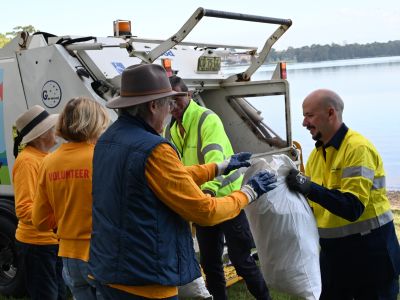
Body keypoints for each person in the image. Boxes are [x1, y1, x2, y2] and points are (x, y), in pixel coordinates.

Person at [88, 64, 277, 300]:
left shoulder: (108, 140)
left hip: (108, 268)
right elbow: (204, 211)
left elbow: (169, 177)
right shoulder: (153, 147)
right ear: (153, 105)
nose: (170, 111)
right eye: (167, 103)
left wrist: (220, 166)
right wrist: (249, 192)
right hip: (146, 277)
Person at [286, 89, 400, 300]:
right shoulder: (316, 155)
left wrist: (309, 187)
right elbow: (312, 205)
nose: (304, 122)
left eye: (309, 115)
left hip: (371, 253)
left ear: (331, 113)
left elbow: (352, 207)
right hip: (334, 255)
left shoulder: (357, 148)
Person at [165, 75, 271, 300]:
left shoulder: (206, 119)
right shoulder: (171, 129)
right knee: (210, 265)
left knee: (242, 261)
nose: (173, 105)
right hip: (203, 203)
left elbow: (217, 159)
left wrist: (209, 190)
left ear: (190, 95)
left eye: (178, 98)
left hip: (226, 199)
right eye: (168, 100)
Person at [32, 97, 110, 300]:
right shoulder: (102, 157)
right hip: (101, 252)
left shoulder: (49, 162)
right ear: (94, 123)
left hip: (68, 255)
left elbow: (39, 220)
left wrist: (66, 218)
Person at [12, 105, 66, 300]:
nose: (56, 132)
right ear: (41, 135)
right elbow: (24, 209)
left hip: (50, 242)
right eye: (51, 128)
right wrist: (56, 221)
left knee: (58, 294)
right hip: (37, 245)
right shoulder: (27, 162)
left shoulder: (45, 158)